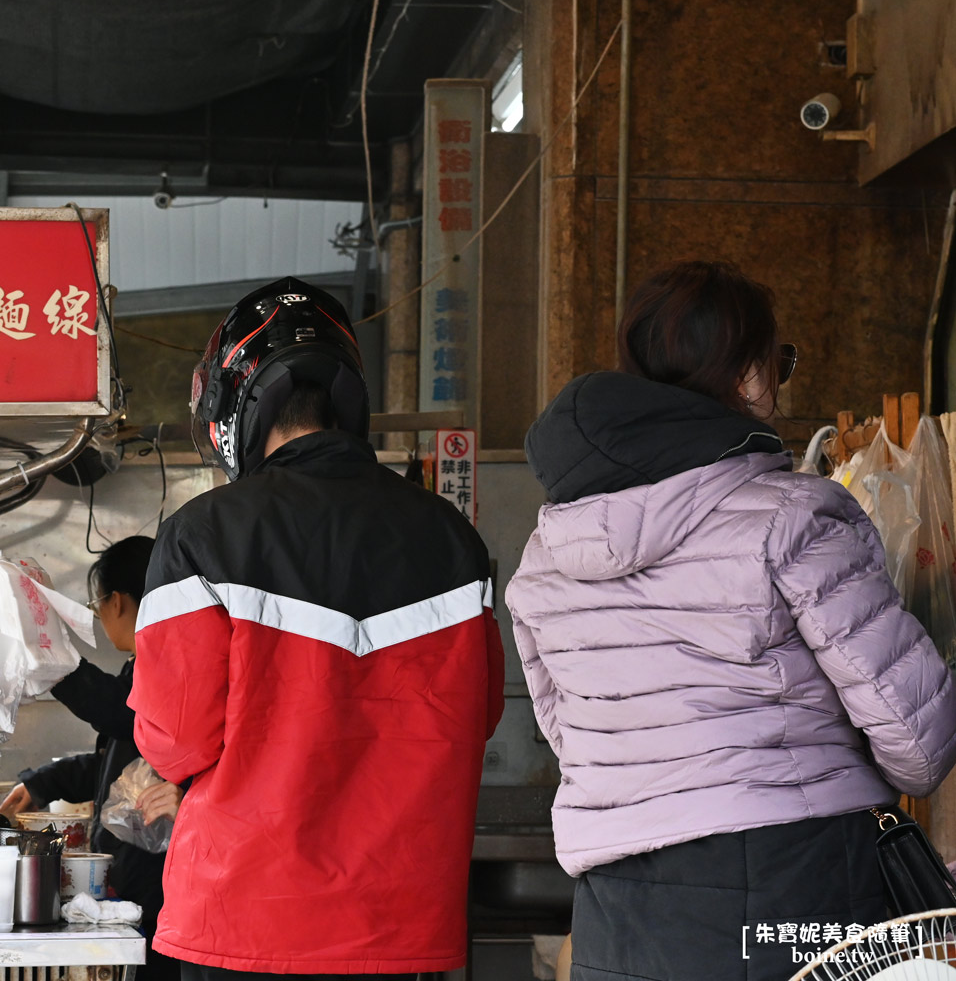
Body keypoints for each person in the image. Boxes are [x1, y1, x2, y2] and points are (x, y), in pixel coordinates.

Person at [506, 260, 956, 980]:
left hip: (617, 915)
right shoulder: (796, 518)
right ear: (748, 377)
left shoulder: (546, 559)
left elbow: (577, 736)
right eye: (779, 362)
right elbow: (918, 742)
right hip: (793, 882)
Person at [129, 275, 505, 979]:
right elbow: (478, 715)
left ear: (228, 405)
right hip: (398, 929)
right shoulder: (452, 539)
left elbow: (173, 741)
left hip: (243, 920)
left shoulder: (202, 535)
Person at [0, 535, 183, 981]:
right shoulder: (147, 663)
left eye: (96, 604)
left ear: (116, 601)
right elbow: (119, 763)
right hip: (136, 864)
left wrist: (53, 659)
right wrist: (43, 783)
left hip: (159, 872)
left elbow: (122, 714)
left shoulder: (170, 664)